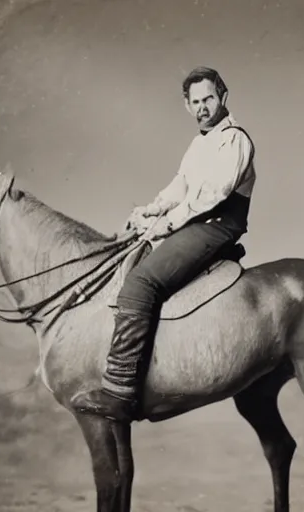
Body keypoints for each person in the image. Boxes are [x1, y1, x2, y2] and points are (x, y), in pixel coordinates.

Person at [71, 66, 256, 422]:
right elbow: (180, 186)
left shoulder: (234, 139)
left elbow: (209, 197)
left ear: (223, 96)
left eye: (209, 99)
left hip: (215, 226)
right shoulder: (200, 142)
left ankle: (120, 390)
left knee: (140, 283)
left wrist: (166, 223)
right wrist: (149, 211)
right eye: (196, 102)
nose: (203, 107)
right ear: (187, 106)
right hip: (192, 221)